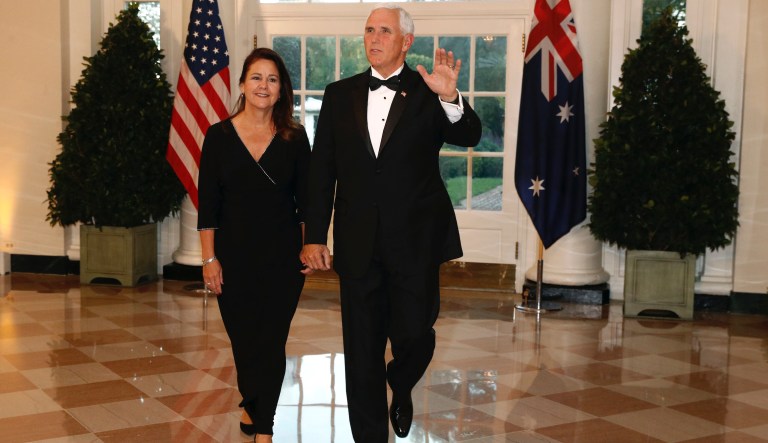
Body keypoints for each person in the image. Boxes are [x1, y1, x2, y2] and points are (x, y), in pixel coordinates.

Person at [300, 4, 482, 441]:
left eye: (385, 30)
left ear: (406, 41)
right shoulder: (339, 94)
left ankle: (401, 384)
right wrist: (313, 236)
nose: (374, 38)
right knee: (361, 352)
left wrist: (450, 99)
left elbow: (469, 135)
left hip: (416, 241)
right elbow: (321, 172)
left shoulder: (429, 91)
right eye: (368, 30)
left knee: (416, 332)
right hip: (357, 241)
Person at [198, 47, 311, 443]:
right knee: (245, 343)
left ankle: (264, 427)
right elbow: (207, 206)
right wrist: (209, 259)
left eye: (273, 79)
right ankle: (252, 400)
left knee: (271, 342)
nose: (264, 85)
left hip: (283, 260)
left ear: (282, 90)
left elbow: (307, 201)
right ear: (243, 84)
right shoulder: (218, 136)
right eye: (257, 77)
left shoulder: (295, 138)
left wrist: (309, 246)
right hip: (233, 259)